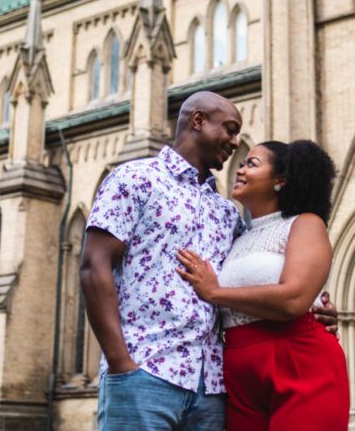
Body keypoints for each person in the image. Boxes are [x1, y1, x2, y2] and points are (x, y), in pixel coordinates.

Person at [80, 91, 338, 431]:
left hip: (213, 388)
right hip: (144, 371)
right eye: (229, 129)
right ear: (198, 121)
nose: (235, 142)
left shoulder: (227, 213)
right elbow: (93, 265)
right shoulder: (134, 178)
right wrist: (120, 362)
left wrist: (314, 309)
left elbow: (259, 273)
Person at [176, 140, 349, 431]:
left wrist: (215, 292)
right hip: (238, 374)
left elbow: (294, 299)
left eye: (251, 164)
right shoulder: (237, 237)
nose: (240, 170)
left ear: (280, 180)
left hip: (299, 362)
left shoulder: (305, 224)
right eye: (242, 163)